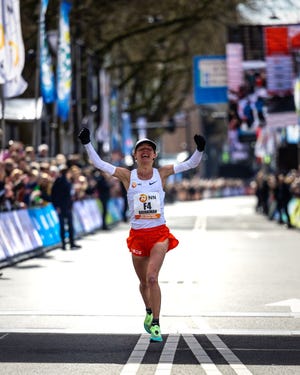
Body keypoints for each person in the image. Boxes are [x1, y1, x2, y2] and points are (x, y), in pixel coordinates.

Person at [78, 127, 205, 342]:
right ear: (135, 156)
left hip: (159, 234)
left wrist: (200, 149)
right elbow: (99, 164)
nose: (145, 151)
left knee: (152, 277)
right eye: (141, 149)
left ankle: (156, 323)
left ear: (154, 155)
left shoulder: (162, 173)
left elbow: (190, 164)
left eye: (149, 149)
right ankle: (148, 310)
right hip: (138, 235)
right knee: (143, 283)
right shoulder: (127, 175)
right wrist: (87, 143)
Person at [51, 165, 81, 250]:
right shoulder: (59, 181)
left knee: (70, 225)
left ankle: (71, 243)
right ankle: (64, 244)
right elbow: (54, 195)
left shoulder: (68, 181)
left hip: (68, 206)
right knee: (63, 226)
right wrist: (56, 206)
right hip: (62, 206)